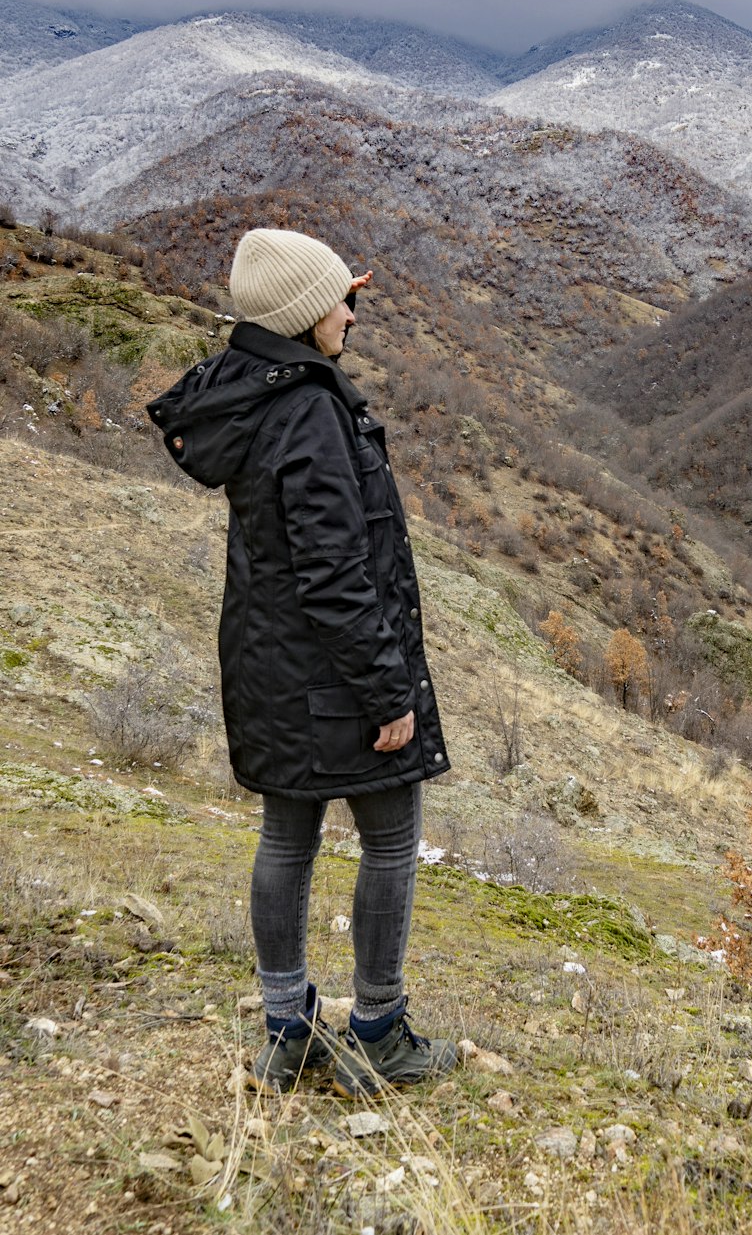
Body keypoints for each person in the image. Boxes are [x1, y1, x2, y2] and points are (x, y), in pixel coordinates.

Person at [148, 226, 455, 1094]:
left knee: (288, 835)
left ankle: (287, 1029)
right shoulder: (311, 411)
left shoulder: (251, 391)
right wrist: (388, 693)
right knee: (391, 836)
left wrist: (329, 285)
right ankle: (379, 1031)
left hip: (269, 665)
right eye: (338, 301)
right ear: (297, 317)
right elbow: (334, 575)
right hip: (332, 675)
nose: (351, 313)